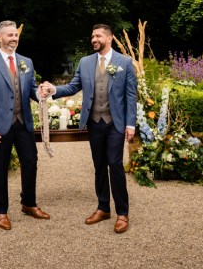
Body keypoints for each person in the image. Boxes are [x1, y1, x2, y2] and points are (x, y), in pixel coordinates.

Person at [41, 24, 137, 233]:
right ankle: (103, 208)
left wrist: (131, 124)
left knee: (115, 163)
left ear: (109, 38)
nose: (94, 39)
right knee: (99, 165)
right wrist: (53, 89)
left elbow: (131, 95)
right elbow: (74, 86)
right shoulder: (85, 62)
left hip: (115, 122)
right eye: (92, 36)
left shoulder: (125, 62)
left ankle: (122, 213)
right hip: (94, 123)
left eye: (98, 36)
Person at [0, 20, 50, 230]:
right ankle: (1, 212)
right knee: (0, 169)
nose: (14, 39)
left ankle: (29, 204)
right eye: (10, 35)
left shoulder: (26, 61)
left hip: (23, 123)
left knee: (31, 163)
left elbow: (32, 90)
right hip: (0, 126)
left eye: (16, 35)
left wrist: (41, 93)